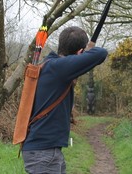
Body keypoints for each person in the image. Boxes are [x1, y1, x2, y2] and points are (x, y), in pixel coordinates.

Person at [22, 26, 108, 174]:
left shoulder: (50, 64)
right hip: (44, 153)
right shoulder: (59, 67)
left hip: (46, 151)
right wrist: (85, 54)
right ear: (80, 52)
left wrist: (82, 54)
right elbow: (101, 53)